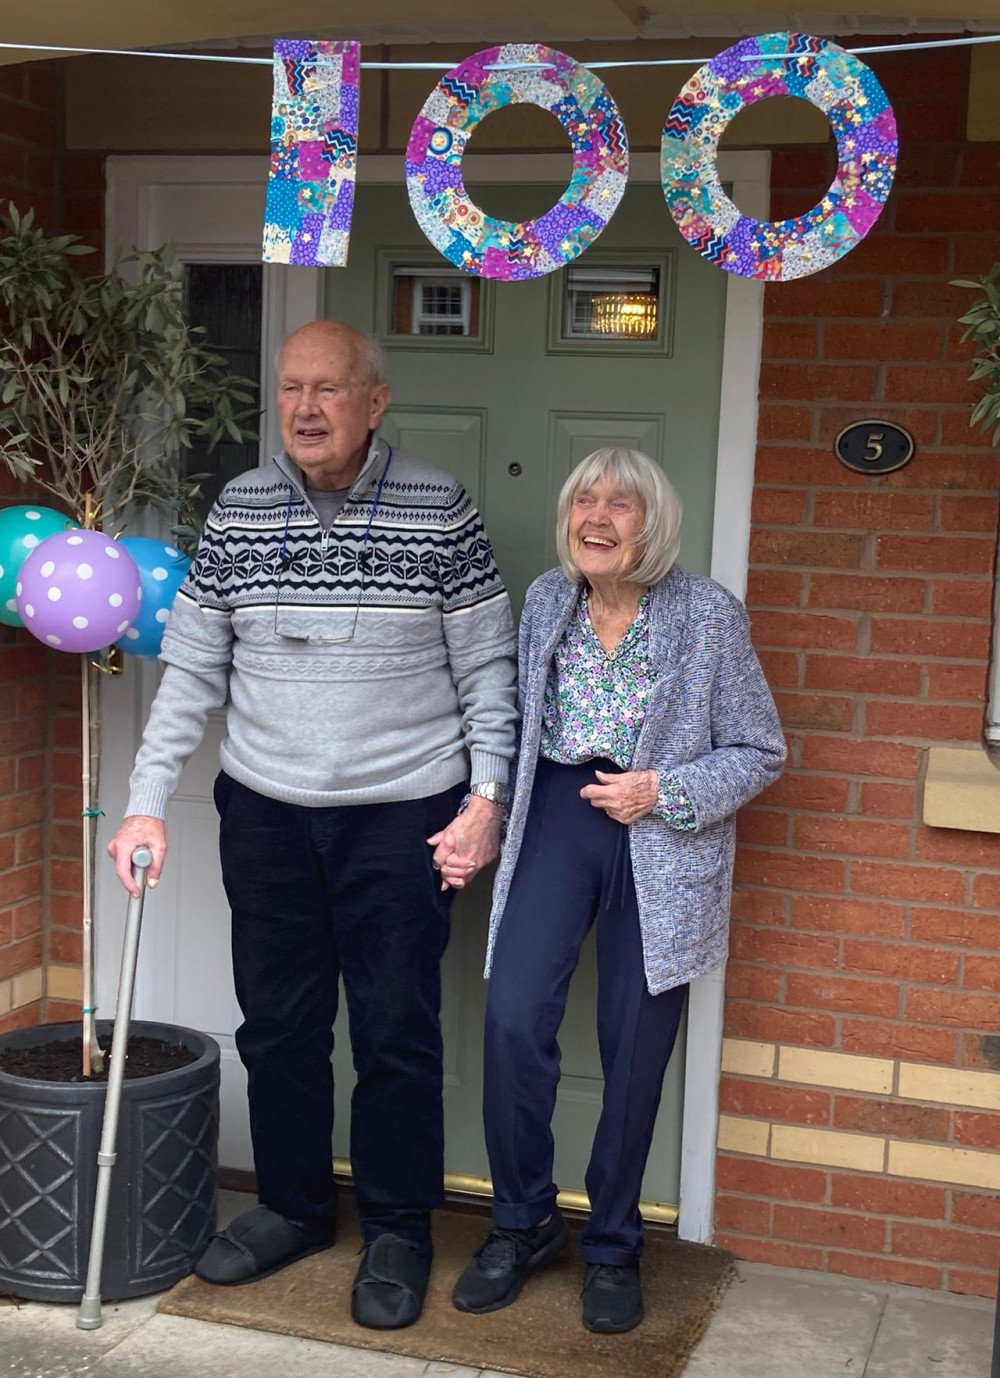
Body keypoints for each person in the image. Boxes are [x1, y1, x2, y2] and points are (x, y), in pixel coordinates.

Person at [108, 320, 517, 1330]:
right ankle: (292, 1205)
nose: (304, 408)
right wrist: (144, 798)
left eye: (328, 389)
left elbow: (488, 670)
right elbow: (194, 667)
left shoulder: (438, 508)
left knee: (394, 1030)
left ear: (374, 401)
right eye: (291, 388)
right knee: (278, 1026)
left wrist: (487, 796)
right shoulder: (240, 510)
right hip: (267, 814)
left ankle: (395, 1226)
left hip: (401, 816)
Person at [452, 448, 785, 1334]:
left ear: (654, 523)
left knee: (636, 1043)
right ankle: (522, 1224)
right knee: (515, 1018)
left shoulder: (708, 614)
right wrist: (481, 810)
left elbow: (759, 748)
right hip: (559, 813)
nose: (596, 517)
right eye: (583, 501)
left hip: (659, 834)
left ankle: (611, 1242)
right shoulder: (546, 602)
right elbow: (517, 723)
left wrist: (663, 792)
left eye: (621, 504)